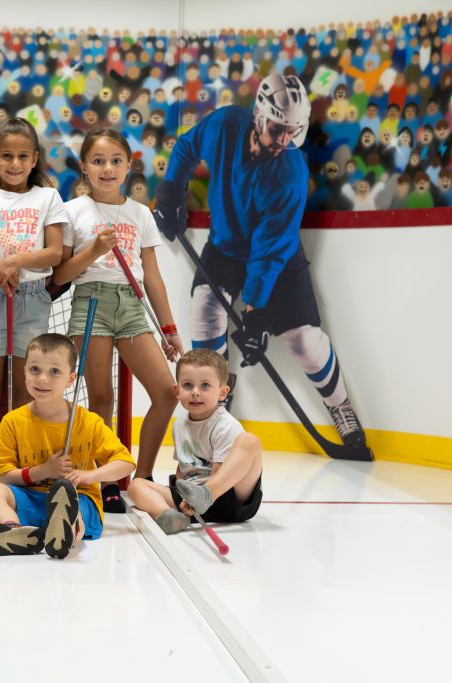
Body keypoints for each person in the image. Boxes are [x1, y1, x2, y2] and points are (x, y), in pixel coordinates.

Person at [153, 72, 370, 455]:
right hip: (226, 244)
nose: (284, 140)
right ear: (258, 116)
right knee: (205, 313)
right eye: (277, 128)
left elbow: (270, 250)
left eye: (292, 131)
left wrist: (256, 314)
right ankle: (214, 412)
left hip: (277, 257)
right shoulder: (224, 124)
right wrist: (171, 190)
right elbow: (188, 147)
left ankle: (341, 407)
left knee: (303, 341)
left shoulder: (290, 172)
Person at [52, 128, 182, 512]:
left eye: (115, 161)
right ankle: (103, 482)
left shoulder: (140, 213)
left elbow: (152, 276)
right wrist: (95, 249)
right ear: (84, 168)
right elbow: (61, 276)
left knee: (165, 393)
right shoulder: (72, 210)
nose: (107, 168)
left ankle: (141, 477)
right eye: (98, 161)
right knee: (101, 398)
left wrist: (169, 328)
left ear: (128, 166)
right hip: (89, 303)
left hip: (130, 306)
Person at [0, 118, 69, 483]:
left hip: (32, 299)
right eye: (6, 156)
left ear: (35, 159)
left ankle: (20, 476)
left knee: (24, 394)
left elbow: (53, 253)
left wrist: (13, 262)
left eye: (22, 156)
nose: (15, 164)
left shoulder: (48, 197)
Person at [0, 334, 136, 559]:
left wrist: (90, 475)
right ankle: (13, 532)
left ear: (70, 379)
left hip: (80, 499)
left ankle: (68, 531)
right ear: (24, 371)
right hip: (30, 499)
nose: (42, 379)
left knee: (69, 503)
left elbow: (126, 463)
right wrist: (43, 471)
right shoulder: (13, 421)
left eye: (54, 371)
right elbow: (3, 477)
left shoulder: (88, 422)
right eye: (35, 369)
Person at [128, 349, 262, 533]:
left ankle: (206, 495)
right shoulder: (179, 424)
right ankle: (168, 516)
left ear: (222, 392)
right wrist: (183, 497)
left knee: (250, 441)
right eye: (188, 385)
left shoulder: (224, 425)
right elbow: (183, 468)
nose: (195, 392)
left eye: (205, 385)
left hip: (226, 495)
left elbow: (219, 473)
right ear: (177, 390)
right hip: (190, 503)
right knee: (136, 486)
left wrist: (205, 493)